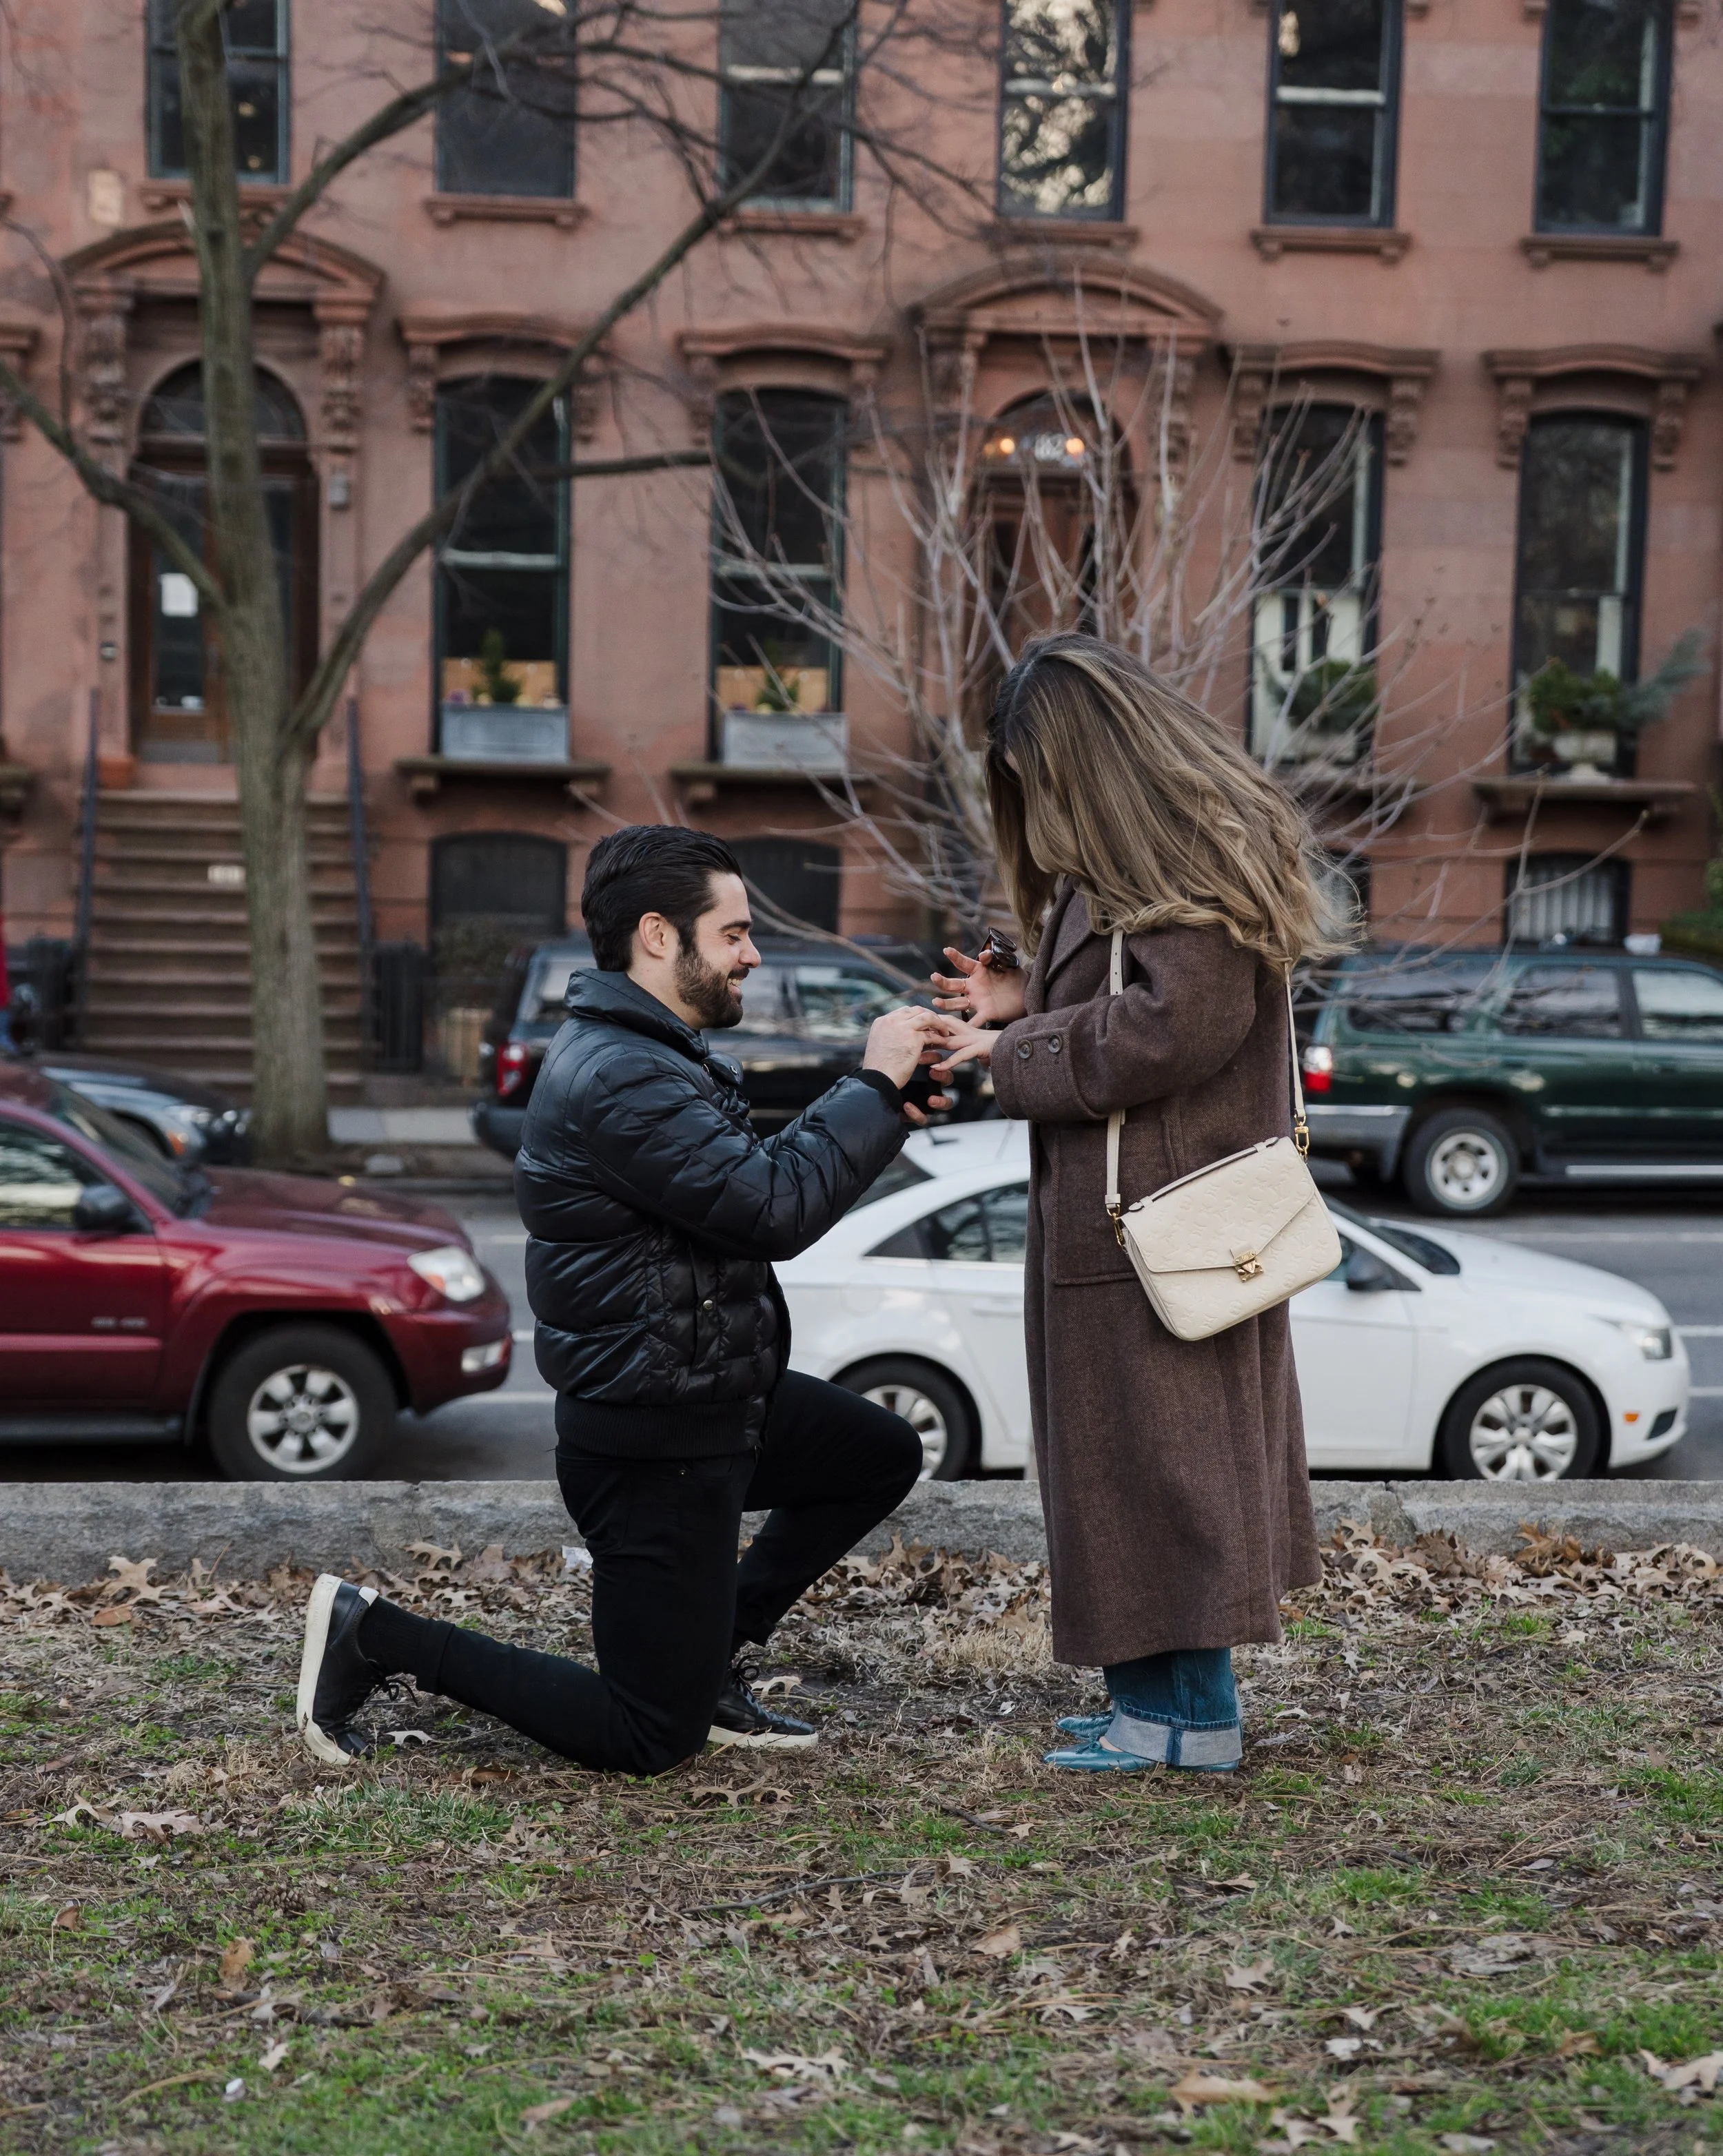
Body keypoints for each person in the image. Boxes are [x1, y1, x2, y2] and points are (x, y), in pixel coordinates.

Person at [296, 825, 944, 1774]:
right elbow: (771, 1209)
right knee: (648, 1736)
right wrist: (872, 1079)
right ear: (657, 935)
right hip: (654, 1447)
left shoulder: (649, 1052)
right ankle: (377, 1637)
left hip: (715, 1403)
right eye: (734, 933)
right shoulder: (622, 1074)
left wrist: (881, 1105)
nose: (753, 953)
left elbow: (747, 1178)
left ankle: (711, 1648)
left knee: (876, 1453)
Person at [928, 633, 1345, 1773]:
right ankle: (1148, 1704)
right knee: (1127, 1478)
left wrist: (1018, 1047)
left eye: (1039, 778)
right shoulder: (1154, 863)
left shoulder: (1190, 867)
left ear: (1084, 766)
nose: (1035, 806)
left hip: (1164, 1232)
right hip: (1133, 1225)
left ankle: (1192, 1723)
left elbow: (1172, 1029)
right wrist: (1030, 992)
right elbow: (1135, 993)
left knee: (1170, 1479)